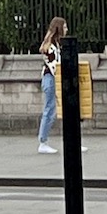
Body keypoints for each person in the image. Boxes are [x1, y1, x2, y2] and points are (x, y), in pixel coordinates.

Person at [37, 16, 68, 152]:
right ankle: (43, 142)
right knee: (49, 109)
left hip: (53, 78)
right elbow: (54, 66)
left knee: (60, 109)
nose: (67, 29)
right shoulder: (51, 47)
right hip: (50, 78)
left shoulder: (56, 45)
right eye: (65, 26)